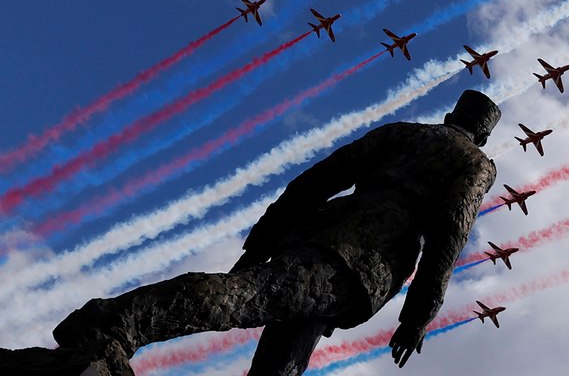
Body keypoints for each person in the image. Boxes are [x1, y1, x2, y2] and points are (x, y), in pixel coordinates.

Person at [20, 89, 499, 376]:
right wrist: (417, 318)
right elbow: (448, 238)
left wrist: (264, 238)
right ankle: (115, 321)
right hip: (363, 261)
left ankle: (116, 321)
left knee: (281, 362)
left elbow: (320, 178)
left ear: (451, 116)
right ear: (482, 134)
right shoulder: (476, 164)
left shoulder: (404, 132)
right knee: (243, 298)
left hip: (329, 234)